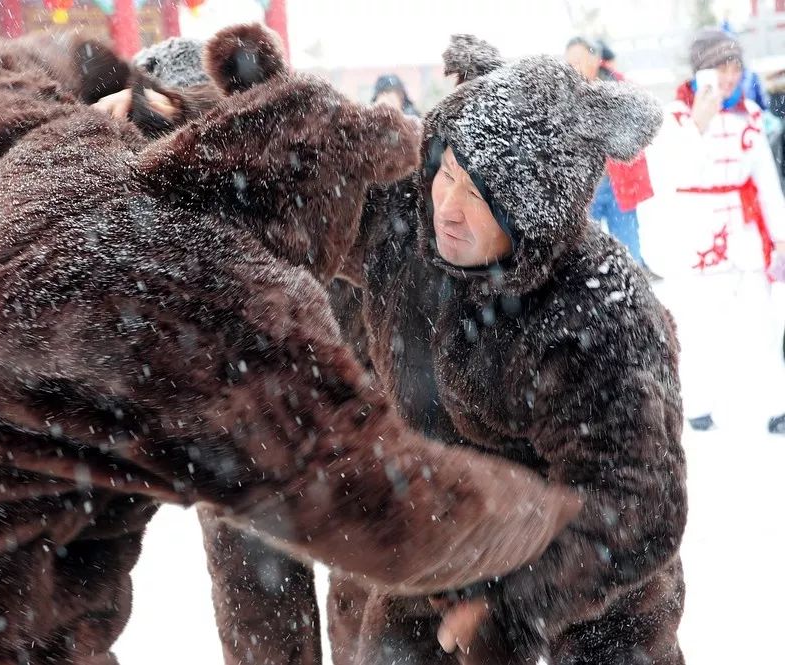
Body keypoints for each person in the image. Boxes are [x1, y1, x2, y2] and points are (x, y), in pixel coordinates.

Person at [0, 26, 579, 665]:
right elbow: (384, 505)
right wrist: (553, 517)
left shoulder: (42, 143)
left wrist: (106, 76)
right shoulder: (217, 289)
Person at [204, 34, 687, 665]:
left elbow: (636, 503)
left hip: (582, 590)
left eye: (480, 197)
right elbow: (311, 168)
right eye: (448, 174)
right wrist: (249, 97)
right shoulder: (407, 223)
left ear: (533, 216)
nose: (449, 209)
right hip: (441, 549)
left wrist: (512, 606)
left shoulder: (599, 314)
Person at [649, 29, 785, 434]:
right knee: (697, 328)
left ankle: (777, 405)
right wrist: (698, 125)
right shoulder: (673, 117)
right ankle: (698, 405)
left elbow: (766, 181)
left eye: (735, 67)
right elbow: (670, 176)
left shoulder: (751, 115)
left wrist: (780, 235)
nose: (729, 77)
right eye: (720, 68)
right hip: (697, 236)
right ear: (701, 70)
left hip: (743, 234)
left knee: (763, 324)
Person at [566, 36, 655, 273]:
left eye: (579, 60)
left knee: (629, 248)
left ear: (595, 59)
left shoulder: (620, 87)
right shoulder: (564, 95)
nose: (574, 66)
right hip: (585, 190)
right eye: (570, 61)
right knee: (585, 255)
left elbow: (642, 125)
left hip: (619, 185)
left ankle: (634, 283)